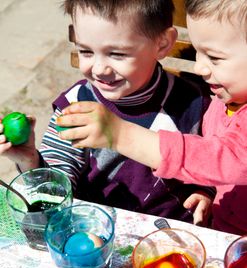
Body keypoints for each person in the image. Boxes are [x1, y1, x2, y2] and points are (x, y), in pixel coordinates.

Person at [0, 0, 215, 224]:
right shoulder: (76, 107)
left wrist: (206, 191)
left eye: (117, 54)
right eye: (85, 51)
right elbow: (56, 193)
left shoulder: (194, 103)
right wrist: (30, 162)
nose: (99, 68)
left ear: (161, 44)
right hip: (95, 229)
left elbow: (213, 161)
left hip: (170, 232)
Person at [65, 0, 247, 234]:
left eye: (215, 58)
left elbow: (228, 157)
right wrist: (208, 189)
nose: (200, 68)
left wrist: (121, 135)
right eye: (197, 52)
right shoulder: (225, 99)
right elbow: (211, 157)